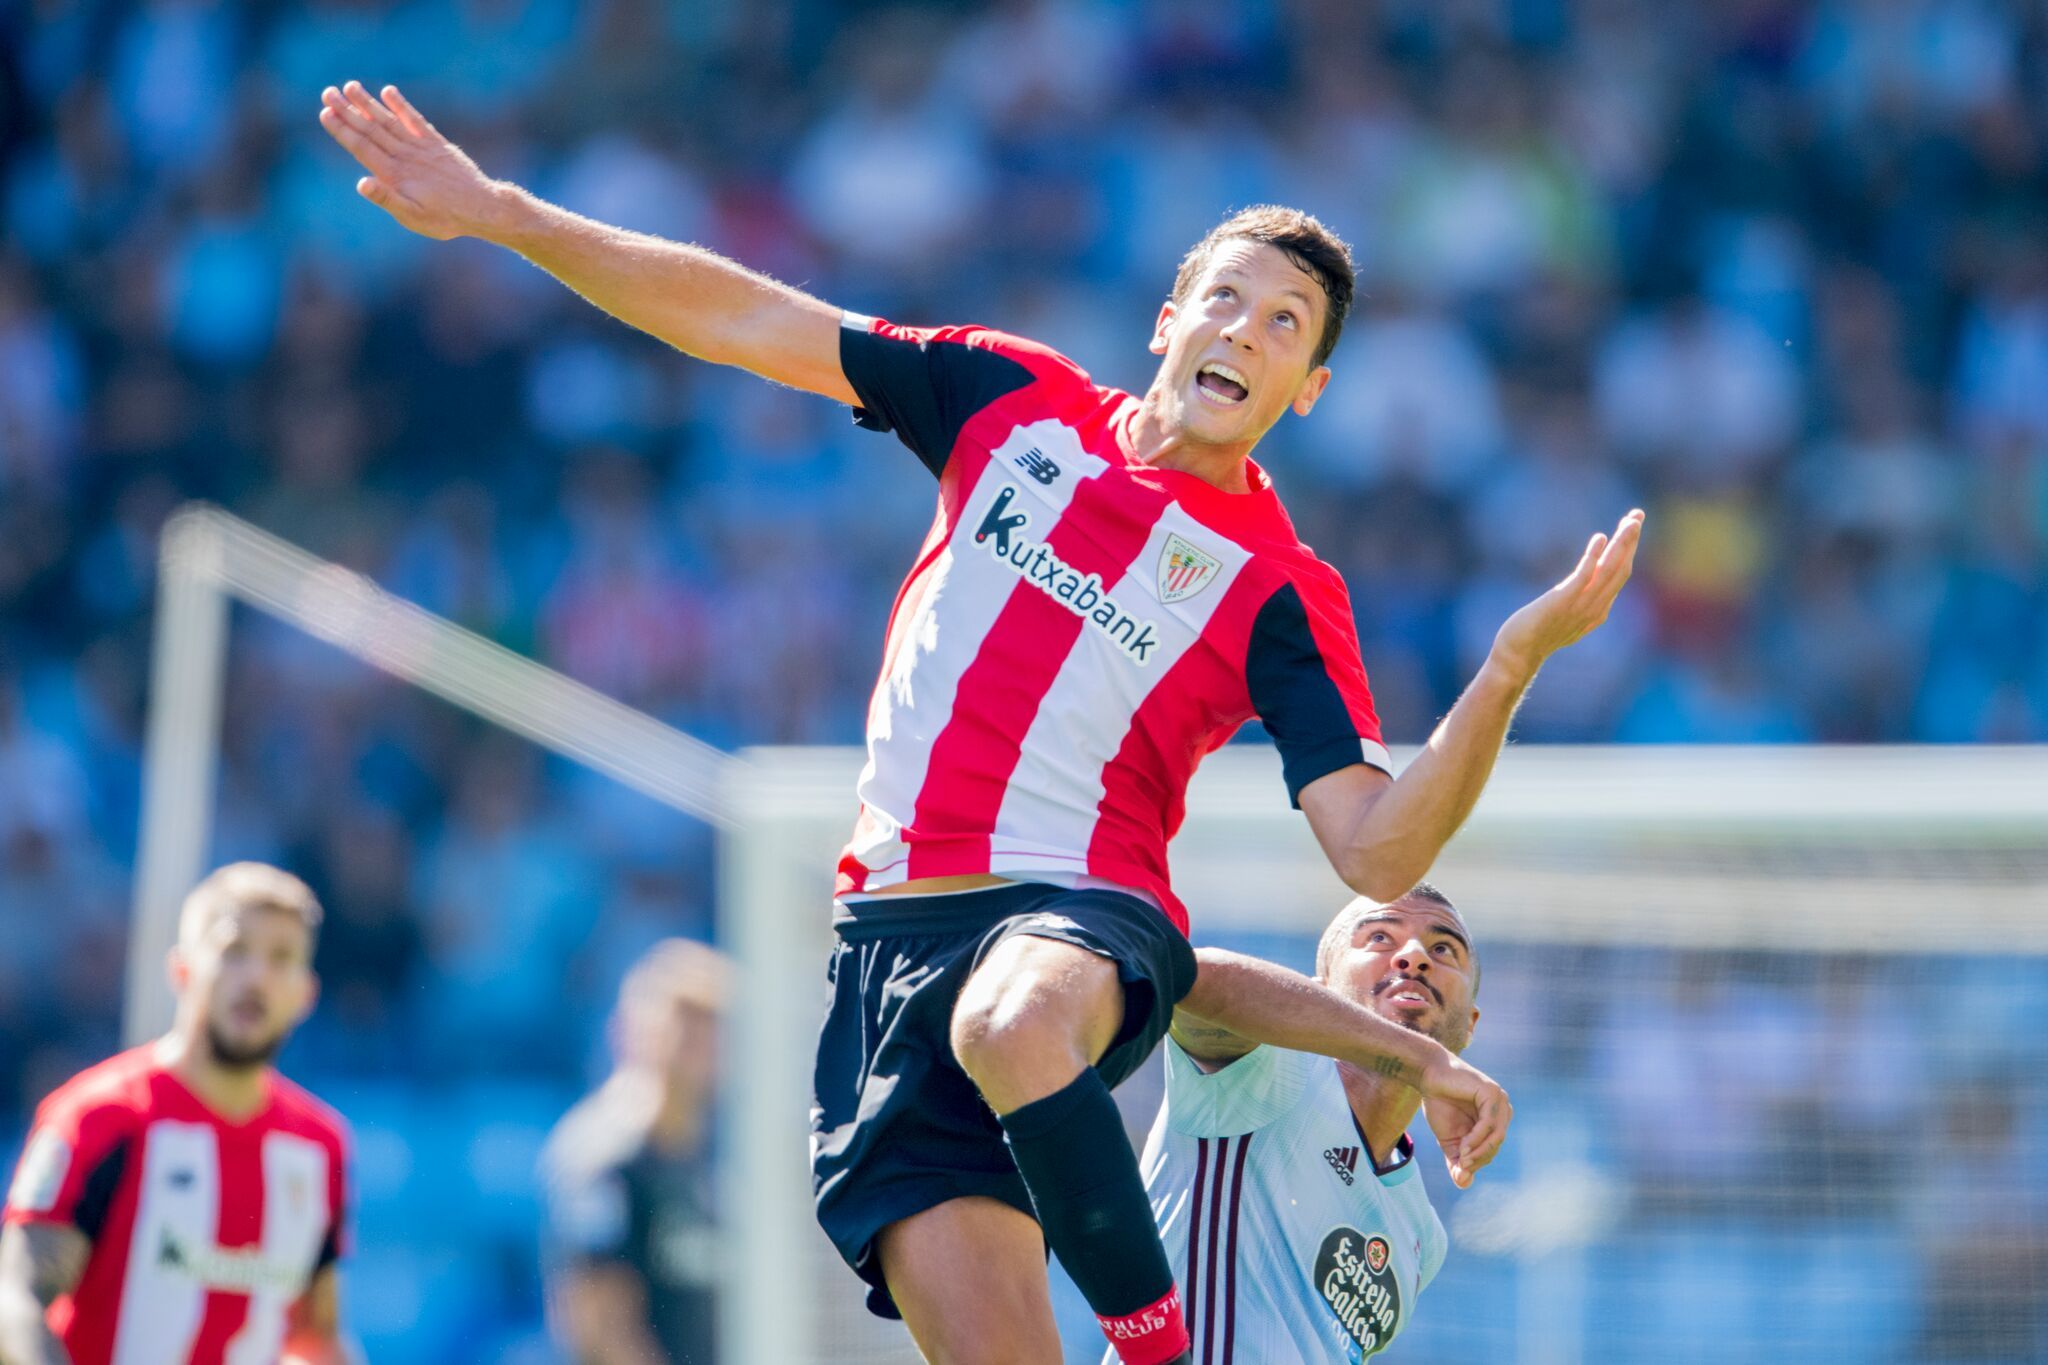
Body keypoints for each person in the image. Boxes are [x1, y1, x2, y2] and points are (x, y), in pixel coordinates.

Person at [318, 80, 1641, 1365]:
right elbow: (743, 317)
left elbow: (1374, 844)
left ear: (1308, 387)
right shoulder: (1012, 400)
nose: (1245, 330)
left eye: (1286, 323)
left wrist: (1513, 661)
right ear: (1169, 318)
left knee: (1011, 1024)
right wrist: (504, 213)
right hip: (888, 937)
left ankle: (1154, 1343)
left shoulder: (1281, 586)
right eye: (1226, 297)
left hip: (1081, 912)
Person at [0, 863, 356, 1365]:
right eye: (234, 951)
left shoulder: (320, 1146)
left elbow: (315, 1336)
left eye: (281, 958)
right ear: (182, 970)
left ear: (305, 994)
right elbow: (14, 1300)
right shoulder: (98, 1117)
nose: (256, 977)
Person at [1121, 885, 1481, 1364]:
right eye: (1379, 938)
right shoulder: (1265, 1067)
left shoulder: (1424, 1236)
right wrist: (1421, 1059)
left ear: (1471, 1025)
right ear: (1320, 991)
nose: (1413, 957)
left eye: (1443, 948)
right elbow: (1191, 979)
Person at [538, 939, 728, 1365]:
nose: (697, 1045)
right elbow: (598, 1324)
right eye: (685, 1024)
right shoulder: (602, 1157)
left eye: (711, 1026)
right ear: (632, 1030)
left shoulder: (712, 1157)